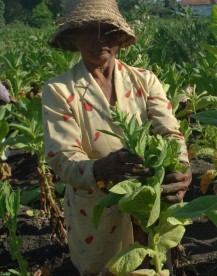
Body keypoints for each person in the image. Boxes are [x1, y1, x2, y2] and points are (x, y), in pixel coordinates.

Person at [42, 0, 192, 274]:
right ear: (74, 37)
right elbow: (63, 157)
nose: (99, 38)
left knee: (153, 266)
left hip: (150, 210)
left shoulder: (145, 80)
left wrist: (182, 166)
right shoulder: (60, 91)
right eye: (88, 30)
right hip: (97, 216)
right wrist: (100, 169)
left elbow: (170, 133)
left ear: (120, 38)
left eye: (108, 30)